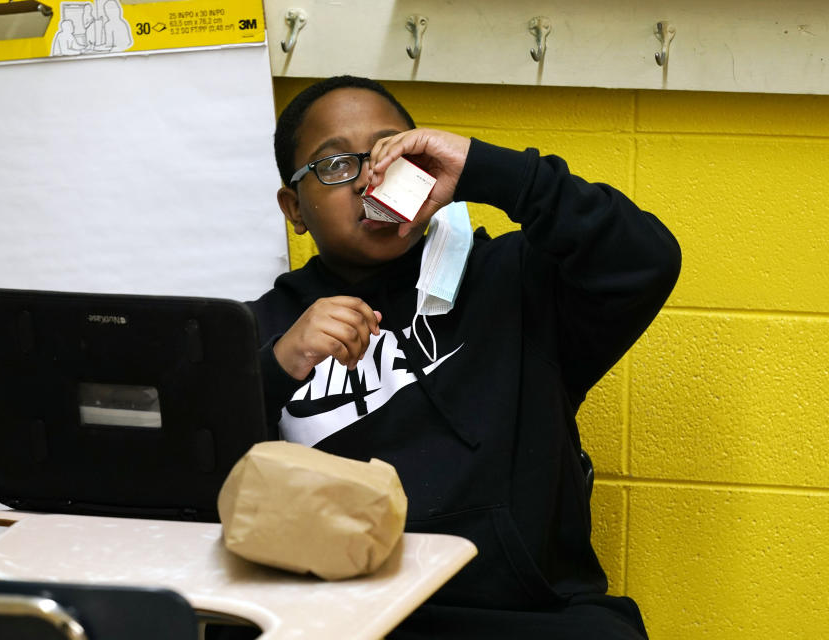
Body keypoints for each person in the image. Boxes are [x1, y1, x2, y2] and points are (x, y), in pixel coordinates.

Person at [242, 75, 681, 639]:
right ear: (294, 208)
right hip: (337, 615)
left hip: (518, 615)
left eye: (387, 154)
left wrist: (487, 171)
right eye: (335, 166)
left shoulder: (517, 281)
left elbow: (647, 259)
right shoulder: (261, 330)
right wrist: (277, 367)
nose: (369, 181)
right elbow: (188, 486)